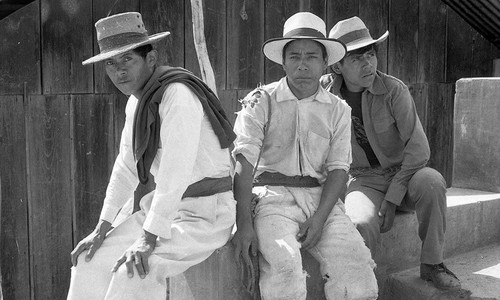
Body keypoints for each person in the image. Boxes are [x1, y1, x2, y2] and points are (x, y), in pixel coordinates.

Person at [67, 12, 237, 299]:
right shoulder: (137, 103)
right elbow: (126, 166)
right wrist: (101, 227)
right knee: (89, 261)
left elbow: (175, 170)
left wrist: (147, 238)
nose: (119, 72)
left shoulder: (177, 94)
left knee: (134, 270)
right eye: (110, 63)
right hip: (162, 214)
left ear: (151, 58)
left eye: (128, 60)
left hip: (205, 214)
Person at [231, 12, 378, 300]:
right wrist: (244, 224)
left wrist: (321, 219)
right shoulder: (261, 100)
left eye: (311, 56)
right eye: (294, 56)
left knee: (358, 268)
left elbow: (338, 169)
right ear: (283, 61)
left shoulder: (338, 109)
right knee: (284, 267)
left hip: (322, 199)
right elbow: (243, 163)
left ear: (325, 63)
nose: (302, 65)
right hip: (271, 198)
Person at [321, 16, 461, 291]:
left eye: (371, 54)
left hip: (405, 173)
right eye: (357, 58)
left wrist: (394, 195)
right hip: (362, 179)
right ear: (337, 65)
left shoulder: (394, 90)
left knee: (432, 182)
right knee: (359, 221)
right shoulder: (325, 95)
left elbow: (419, 149)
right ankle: (360, 285)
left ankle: (432, 265)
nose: (368, 64)